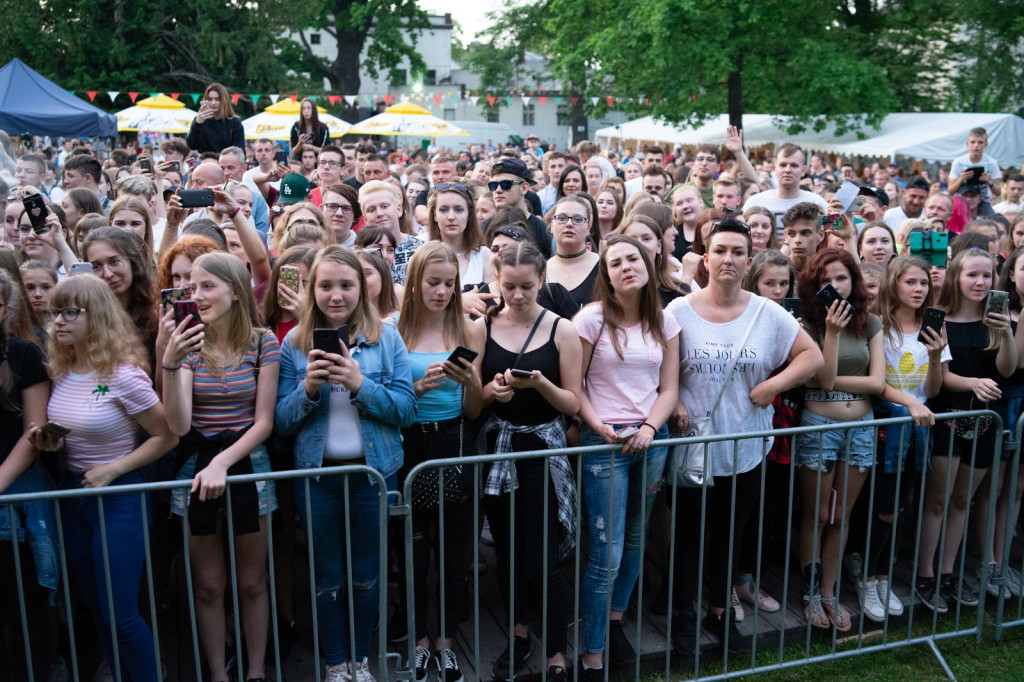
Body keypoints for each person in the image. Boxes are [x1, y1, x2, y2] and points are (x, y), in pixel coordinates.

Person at [667, 219, 821, 653]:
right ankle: (683, 613)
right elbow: (661, 373)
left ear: (748, 260)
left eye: (737, 252)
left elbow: (812, 356)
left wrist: (774, 385)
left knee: (729, 537)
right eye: (720, 251)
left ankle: (720, 613)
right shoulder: (678, 311)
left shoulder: (767, 313)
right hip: (692, 448)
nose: (728, 259)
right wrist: (676, 402)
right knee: (688, 535)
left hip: (747, 447)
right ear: (706, 256)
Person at [275, 245, 416, 682]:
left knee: (368, 572)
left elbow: (406, 409)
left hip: (373, 473)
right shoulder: (294, 344)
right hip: (317, 476)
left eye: (346, 285)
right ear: (313, 289)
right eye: (326, 286)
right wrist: (308, 390)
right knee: (327, 574)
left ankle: (360, 659)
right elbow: (280, 421)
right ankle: (336, 662)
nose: (336, 295)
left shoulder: (386, 337)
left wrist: (360, 384)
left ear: (362, 288)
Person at [31, 274, 177, 682]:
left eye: (69, 312)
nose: (57, 321)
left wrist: (116, 468)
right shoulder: (61, 368)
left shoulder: (124, 374)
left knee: (121, 614)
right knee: (96, 611)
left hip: (119, 500)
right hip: (75, 498)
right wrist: (51, 445)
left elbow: (167, 436)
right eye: (53, 312)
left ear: (95, 316)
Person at [160, 252, 280, 682]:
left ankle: (254, 673)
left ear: (235, 290)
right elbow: (177, 424)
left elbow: (264, 421)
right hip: (195, 465)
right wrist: (169, 362)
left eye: (207, 286)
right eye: (191, 288)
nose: (196, 296)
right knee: (209, 585)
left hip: (248, 463)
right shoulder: (187, 344)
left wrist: (223, 464)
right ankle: (218, 675)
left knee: (252, 582)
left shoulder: (264, 341)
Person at [574, 235, 680, 677]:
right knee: (607, 551)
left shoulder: (665, 321)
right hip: (605, 444)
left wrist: (652, 428)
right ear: (607, 274)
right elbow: (574, 384)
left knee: (636, 538)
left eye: (632, 258)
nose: (625, 267)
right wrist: (599, 427)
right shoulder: (591, 319)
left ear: (649, 263)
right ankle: (592, 651)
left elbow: (670, 388)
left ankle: (615, 624)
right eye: (615, 262)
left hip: (651, 440)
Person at [476, 241, 582, 682]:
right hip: (499, 449)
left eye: (527, 287)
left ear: (542, 281)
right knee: (507, 552)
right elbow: (471, 403)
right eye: (509, 287)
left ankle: (557, 651)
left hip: (542, 451)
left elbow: (573, 401)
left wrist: (539, 384)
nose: (517, 296)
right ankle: (519, 633)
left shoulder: (562, 330)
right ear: (496, 281)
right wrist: (490, 392)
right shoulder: (481, 327)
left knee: (543, 556)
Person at [395, 243, 485, 682]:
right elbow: (390, 403)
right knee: (412, 549)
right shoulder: (395, 330)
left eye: (450, 284)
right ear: (415, 282)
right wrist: (418, 387)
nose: (443, 291)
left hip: (454, 441)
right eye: (433, 282)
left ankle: (446, 640)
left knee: (452, 550)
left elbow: (474, 410)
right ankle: (419, 640)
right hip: (410, 442)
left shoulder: (470, 330)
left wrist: (471, 382)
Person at [916, 248, 1017, 612]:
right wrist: (973, 383)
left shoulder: (999, 319)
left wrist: (1006, 335)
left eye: (987, 275)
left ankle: (947, 572)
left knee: (963, 500)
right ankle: (925, 574)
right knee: (938, 500)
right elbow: (939, 376)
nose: (980, 282)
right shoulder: (939, 319)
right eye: (972, 275)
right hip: (947, 417)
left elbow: (1007, 371)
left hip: (987, 421)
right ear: (956, 276)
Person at [794, 248, 885, 632]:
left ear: (854, 281)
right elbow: (825, 381)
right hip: (819, 428)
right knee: (816, 514)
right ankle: (811, 592)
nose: (836, 285)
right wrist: (830, 333)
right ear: (816, 285)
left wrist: (824, 379)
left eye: (843, 277)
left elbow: (877, 383)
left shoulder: (871, 323)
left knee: (841, 517)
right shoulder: (807, 326)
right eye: (827, 279)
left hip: (861, 429)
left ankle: (830, 592)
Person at [857, 256, 949, 622]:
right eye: (911, 282)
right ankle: (867, 576)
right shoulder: (881, 325)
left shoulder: (933, 330)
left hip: (919, 426)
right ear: (895, 284)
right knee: (881, 503)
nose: (918, 289)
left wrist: (936, 355)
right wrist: (908, 402)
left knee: (898, 506)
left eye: (924, 283)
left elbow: (933, 389)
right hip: (886, 424)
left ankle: (882, 577)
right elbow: (879, 383)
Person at [0, 269, 60, 682]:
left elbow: (35, 432)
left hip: (16, 495)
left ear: (4, 309)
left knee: (25, 603)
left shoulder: (24, 354)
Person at [81, 227, 159, 355]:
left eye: (114, 262)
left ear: (132, 262)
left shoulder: (156, 317)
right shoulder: (85, 320)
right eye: (96, 266)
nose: (107, 273)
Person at [743, 143, 828, 224]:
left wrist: (837, 220)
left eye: (794, 165)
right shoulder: (755, 202)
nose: (787, 170)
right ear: (775, 168)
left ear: (803, 170)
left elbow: (835, 234)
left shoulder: (818, 203)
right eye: (783, 165)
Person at [426, 183, 492, 287]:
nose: (451, 217)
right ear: (435, 215)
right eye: (444, 210)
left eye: (458, 210)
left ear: (469, 214)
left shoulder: (485, 256)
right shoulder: (421, 257)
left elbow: (494, 300)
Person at [359, 181, 422, 285]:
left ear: (399, 209)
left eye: (384, 206)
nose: (379, 213)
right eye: (371, 210)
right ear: (365, 219)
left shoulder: (420, 249)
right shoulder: (361, 254)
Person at [615, 215, 686, 307]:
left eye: (646, 239)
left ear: (659, 246)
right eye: (632, 239)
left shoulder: (679, 292)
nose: (640, 244)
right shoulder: (612, 295)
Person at [546, 195, 600, 307]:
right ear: (551, 225)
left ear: (588, 226)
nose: (569, 224)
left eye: (578, 219)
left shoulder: (604, 267)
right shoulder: (540, 270)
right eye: (561, 218)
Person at [948, 127, 1001, 217]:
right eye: (973, 142)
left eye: (980, 142)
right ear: (967, 144)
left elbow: (998, 192)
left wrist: (988, 181)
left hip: (983, 201)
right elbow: (950, 191)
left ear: (986, 144)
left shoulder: (992, 163)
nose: (976, 145)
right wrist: (961, 178)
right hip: (961, 200)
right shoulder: (958, 162)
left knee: (992, 222)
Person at [186, 83, 246, 154]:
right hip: (205, 161)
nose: (213, 103)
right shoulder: (200, 120)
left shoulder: (235, 122)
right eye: (210, 99)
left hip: (226, 162)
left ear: (224, 100)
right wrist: (197, 124)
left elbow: (239, 150)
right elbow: (192, 145)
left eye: (217, 99)